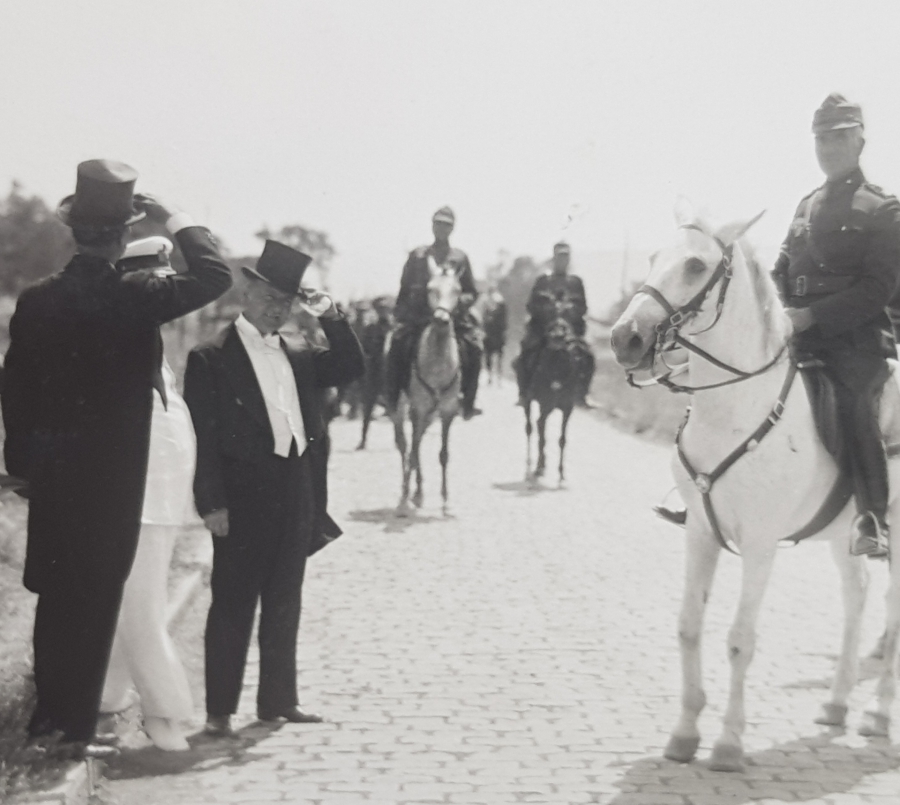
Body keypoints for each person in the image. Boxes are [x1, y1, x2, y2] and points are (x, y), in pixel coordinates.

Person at [1, 160, 232, 759]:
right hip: (114, 483)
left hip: (53, 477)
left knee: (55, 593)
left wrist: (22, 465)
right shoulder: (139, 295)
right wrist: (177, 218)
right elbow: (212, 275)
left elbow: (15, 389)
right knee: (100, 596)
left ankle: (47, 721)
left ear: (74, 229)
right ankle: (73, 731)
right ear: (125, 234)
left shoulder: (36, 300)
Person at [183, 240, 364, 738]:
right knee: (233, 601)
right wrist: (211, 502)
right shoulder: (210, 357)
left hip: (296, 489)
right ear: (248, 290)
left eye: (286, 300)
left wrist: (330, 314)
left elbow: (352, 367)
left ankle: (279, 701)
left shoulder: (300, 354)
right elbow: (204, 437)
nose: (276, 307)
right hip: (241, 499)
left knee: (286, 598)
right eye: (268, 296)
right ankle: (219, 710)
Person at [772, 93, 900, 558]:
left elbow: (877, 291)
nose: (828, 148)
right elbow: (780, 269)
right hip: (799, 335)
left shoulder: (884, 210)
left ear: (859, 141)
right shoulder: (805, 206)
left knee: (852, 406)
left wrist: (812, 315)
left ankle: (872, 519)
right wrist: (778, 309)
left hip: (856, 342)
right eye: (821, 139)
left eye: (838, 138)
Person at [99, 237, 196, 752]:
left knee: (138, 607)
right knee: (135, 605)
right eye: (157, 283)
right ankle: (114, 702)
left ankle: (166, 722)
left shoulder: (147, 345)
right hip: (138, 497)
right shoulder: (129, 343)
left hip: (152, 501)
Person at [384, 206, 483, 419]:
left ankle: (468, 402)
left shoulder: (460, 258)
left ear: (453, 228)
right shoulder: (418, 256)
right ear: (431, 226)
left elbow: (471, 291)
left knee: (474, 348)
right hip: (419, 318)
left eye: (446, 225)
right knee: (397, 346)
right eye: (438, 224)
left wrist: (457, 303)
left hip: (452, 318)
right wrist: (402, 314)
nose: (441, 229)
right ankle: (392, 399)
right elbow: (404, 287)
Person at [515, 242, 596, 407]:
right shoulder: (543, 281)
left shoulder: (576, 282)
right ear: (553, 259)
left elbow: (583, 307)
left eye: (566, 257)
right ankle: (524, 393)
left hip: (569, 331)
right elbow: (531, 305)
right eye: (559, 257)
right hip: (543, 331)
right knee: (524, 354)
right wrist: (546, 310)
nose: (562, 261)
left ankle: (582, 394)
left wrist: (571, 310)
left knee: (588, 356)